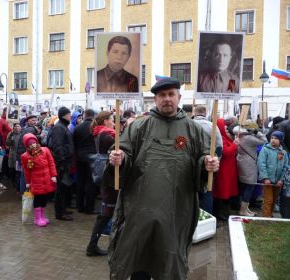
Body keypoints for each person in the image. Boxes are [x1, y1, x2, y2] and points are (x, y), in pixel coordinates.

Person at [106, 77, 219, 279]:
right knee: (138, 254)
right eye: (162, 95)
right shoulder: (139, 126)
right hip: (141, 205)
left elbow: (203, 156)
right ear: (155, 99)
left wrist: (207, 164)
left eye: (171, 94)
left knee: (169, 255)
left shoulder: (193, 129)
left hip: (177, 207)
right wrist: (119, 158)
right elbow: (124, 151)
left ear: (179, 97)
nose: (167, 99)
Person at [86, 111, 116, 257]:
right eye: (112, 120)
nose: (114, 123)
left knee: (105, 214)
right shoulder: (106, 136)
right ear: (105, 121)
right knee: (106, 214)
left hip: (108, 177)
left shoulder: (101, 133)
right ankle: (92, 247)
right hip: (110, 177)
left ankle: (92, 246)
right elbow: (120, 149)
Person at [21, 133, 57, 227]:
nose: (32, 145)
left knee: (44, 198)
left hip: (46, 178)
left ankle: (42, 216)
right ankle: (37, 218)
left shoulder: (45, 150)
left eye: (33, 143)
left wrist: (53, 175)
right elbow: (27, 170)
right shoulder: (26, 156)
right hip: (36, 180)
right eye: (30, 144)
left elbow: (51, 163)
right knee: (38, 198)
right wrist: (28, 182)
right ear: (27, 145)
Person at [232, 120, 267, 216]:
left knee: (244, 186)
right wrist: (257, 132)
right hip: (249, 163)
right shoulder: (249, 138)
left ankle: (245, 208)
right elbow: (264, 141)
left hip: (241, 161)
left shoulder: (239, 134)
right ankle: (243, 210)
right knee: (249, 186)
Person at [193, 105, 223, 214]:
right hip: (208, 165)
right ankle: (206, 220)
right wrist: (215, 161)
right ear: (205, 113)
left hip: (191, 165)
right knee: (206, 190)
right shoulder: (212, 126)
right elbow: (219, 147)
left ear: (195, 112)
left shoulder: (188, 124)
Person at [50, 107, 75, 221]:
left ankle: (63, 209)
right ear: (64, 115)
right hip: (62, 163)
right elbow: (57, 146)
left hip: (65, 161)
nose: (71, 116)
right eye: (69, 114)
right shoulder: (59, 127)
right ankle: (59, 213)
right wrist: (62, 160)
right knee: (60, 189)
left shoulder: (63, 126)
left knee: (64, 188)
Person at [257, 131, 287, 217]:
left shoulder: (283, 152)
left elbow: (285, 167)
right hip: (268, 180)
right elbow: (261, 164)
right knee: (268, 200)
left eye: (276, 138)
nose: (273, 140)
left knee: (274, 200)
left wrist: (281, 179)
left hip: (278, 181)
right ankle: (266, 218)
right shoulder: (265, 149)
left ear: (280, 140)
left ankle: (270, 215)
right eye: (272, 138)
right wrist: (265, 178)